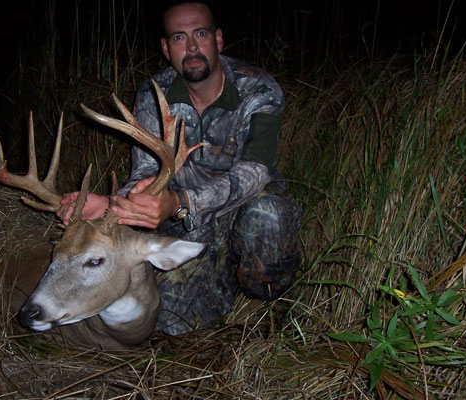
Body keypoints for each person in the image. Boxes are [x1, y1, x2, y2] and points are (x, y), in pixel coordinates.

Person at [58, 1, 302, 335]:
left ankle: (272, 306)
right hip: (191, 225)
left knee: (270, 214)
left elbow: (256, 171)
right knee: (169, 324)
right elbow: (144, 174)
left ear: (217, 40)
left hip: (247, 208)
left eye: (200, 34)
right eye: (178, 38)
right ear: (165, 48)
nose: (191, 48)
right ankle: (222, 276)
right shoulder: (152, 95)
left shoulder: (258, 89)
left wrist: (182, 202)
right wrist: (112, 205)